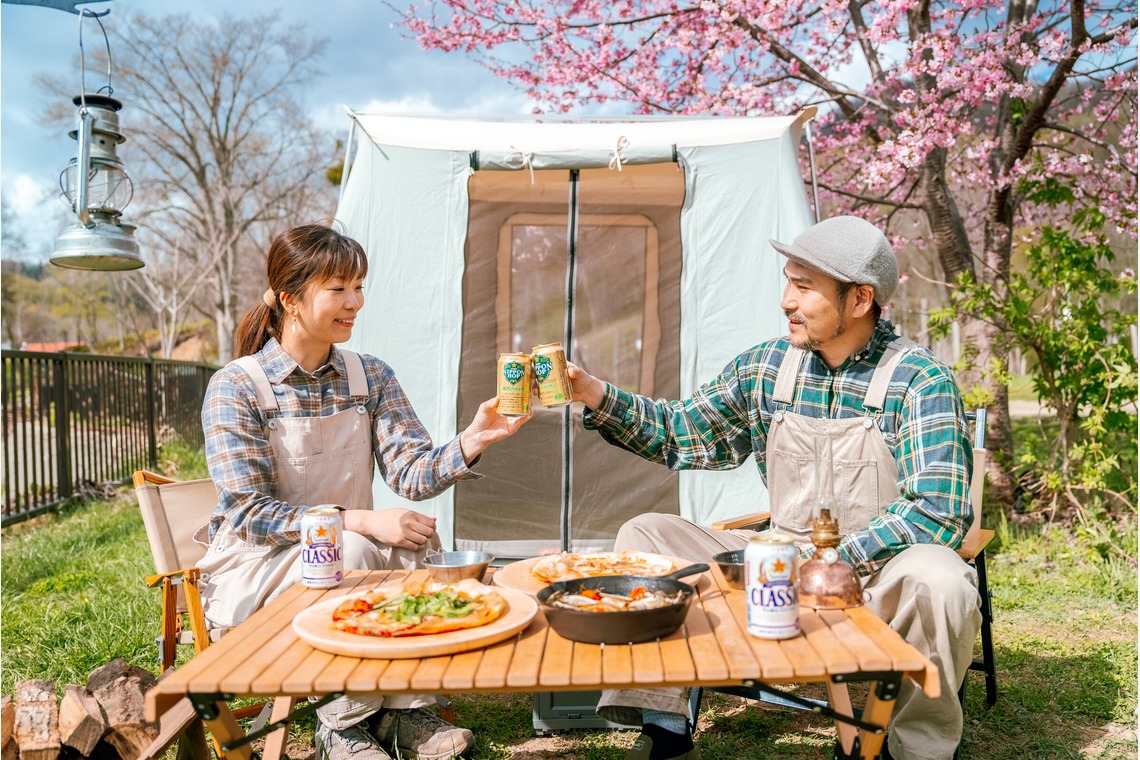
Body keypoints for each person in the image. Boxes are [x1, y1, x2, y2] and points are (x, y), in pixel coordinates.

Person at [566, 216, 981, 760]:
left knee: (942, 579)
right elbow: (680, 432)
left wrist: (827, 560)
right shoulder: (765, 367)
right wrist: (594, 392)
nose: (786, 300)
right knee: (646, 533)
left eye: (804, 286)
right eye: (788, 281)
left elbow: (938, 509)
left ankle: (912, 747)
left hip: (879, 578)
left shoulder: (919, 379)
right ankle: (664, 720)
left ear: (859, 299)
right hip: (774, 566)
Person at [198, 223, 530, 760]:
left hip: (340, 559)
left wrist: (474, 438)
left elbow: (411, 475)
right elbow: (249, 514)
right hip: (255, 565)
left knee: (412, 540)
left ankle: (403, 714)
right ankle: (341, 727)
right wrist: (356, 519)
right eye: (338, 288)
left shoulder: (369, 376)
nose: (354, 302)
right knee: (349, 548)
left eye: (359, 286)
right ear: (290, 299)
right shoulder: (237, 386)